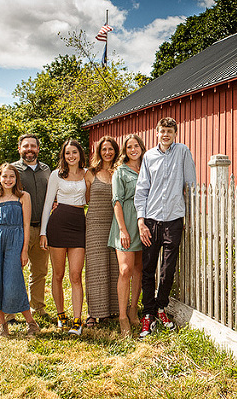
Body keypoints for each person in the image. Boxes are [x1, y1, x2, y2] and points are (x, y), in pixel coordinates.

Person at [135, 117, 195, 338]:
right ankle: (148, 314)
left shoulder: (182, 152)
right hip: (151, 220)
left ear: (175, 133)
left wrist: (190, 218)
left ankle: (161, 308)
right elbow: (142, 189)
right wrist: (141, 221)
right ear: (157, 133)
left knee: (168, 269)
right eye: (162, 131)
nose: (166, 135)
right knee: (148, 269)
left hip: (173, 220)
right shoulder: (149, 156)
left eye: (170, 131)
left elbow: (191, 186)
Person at [0, 163, 40, 338]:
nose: (8, 180)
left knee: (14, 282)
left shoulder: (23, 197)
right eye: (4, 176)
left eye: (12, 176)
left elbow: (26, 225)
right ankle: (2, 324)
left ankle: (31, 323)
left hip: (15, 243)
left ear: (16, 179)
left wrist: (24, 250)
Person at [39, 139, 88, 336]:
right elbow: (47, 203)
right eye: (67, 153)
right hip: (57, 224)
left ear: (80, 154)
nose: (71, 156)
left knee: (75, 275)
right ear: (63, 155)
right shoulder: (56, 174)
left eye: (74, 152)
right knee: (58, 275)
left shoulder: (87, 173)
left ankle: (77, 320)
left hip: (78, 225)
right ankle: (61, 315)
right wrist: (43, 232)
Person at [5, 134, 51, 325]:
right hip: (18, 229)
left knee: (39, 271)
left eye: (33, 146)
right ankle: (10, 313)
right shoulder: (12, 170)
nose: (29, 149)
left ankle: (37, 307)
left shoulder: (46, 170)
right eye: (26, 146)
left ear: (38, 149)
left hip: (42, 229)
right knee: (13, 271)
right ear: (19, 149)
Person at [108, 134, 146, 336]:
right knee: (125, 270)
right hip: (126, 223)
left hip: (144, 223)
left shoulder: (147, 169)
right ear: (125, 150)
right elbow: (117, 201)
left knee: (139, 268)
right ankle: (122, 317)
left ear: (141, 148)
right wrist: (123, 229)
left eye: (136, 146)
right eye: (129, 147)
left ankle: (133, 310)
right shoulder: (120, 172)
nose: (133, 150)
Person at [83, 136, 120, 328]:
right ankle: (93, 313)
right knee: (96, 268)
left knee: (114, 266)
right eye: (104, 149)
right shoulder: (90, 173)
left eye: (110, 149)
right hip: (95, 225)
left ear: (115, 151)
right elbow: (86, 198)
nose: (107, 152)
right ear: (99, 152)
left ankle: (109, 311)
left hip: (115, 223)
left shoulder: (119, 171)